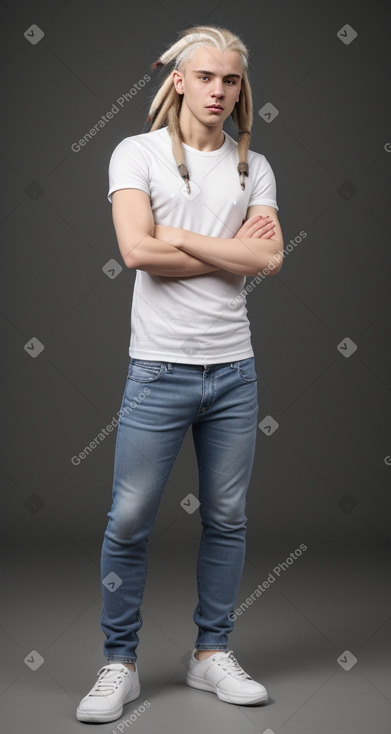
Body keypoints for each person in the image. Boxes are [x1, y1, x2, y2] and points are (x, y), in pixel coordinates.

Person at [76, 24, 284, 724]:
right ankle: (119, 664)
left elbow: (270, 260)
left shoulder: (254, 167)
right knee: (129, 519)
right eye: (206, 77)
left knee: (226, 517)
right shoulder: (134, 152)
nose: (219, 91)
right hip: (159, 369)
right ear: (178, 81)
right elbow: (135, 250)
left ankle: (209, 655)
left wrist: (184, 238)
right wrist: (231, 251)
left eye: (231, 80)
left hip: (233, 370)